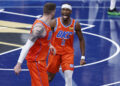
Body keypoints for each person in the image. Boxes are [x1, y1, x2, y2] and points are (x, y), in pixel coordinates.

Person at [14, 3, 56, 86]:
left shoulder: (46, 24)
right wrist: (18, 65)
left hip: (40, 62)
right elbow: (27, 46)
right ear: (53, 12)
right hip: (36, 62)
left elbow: (42, 39)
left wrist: (50, 45)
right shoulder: (39, 27)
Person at [47, 3, 86, 86]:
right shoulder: (54, 22)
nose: (65, 12)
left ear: (71, 12)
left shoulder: (75, 24)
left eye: (67, 10)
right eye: (63, 9)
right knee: (49, 78)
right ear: (61, 11)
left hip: (68, 54)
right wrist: (49, 46)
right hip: (55, 53)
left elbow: (81, 39)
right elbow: (44, 36)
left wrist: (82, 57)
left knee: (68, 77)